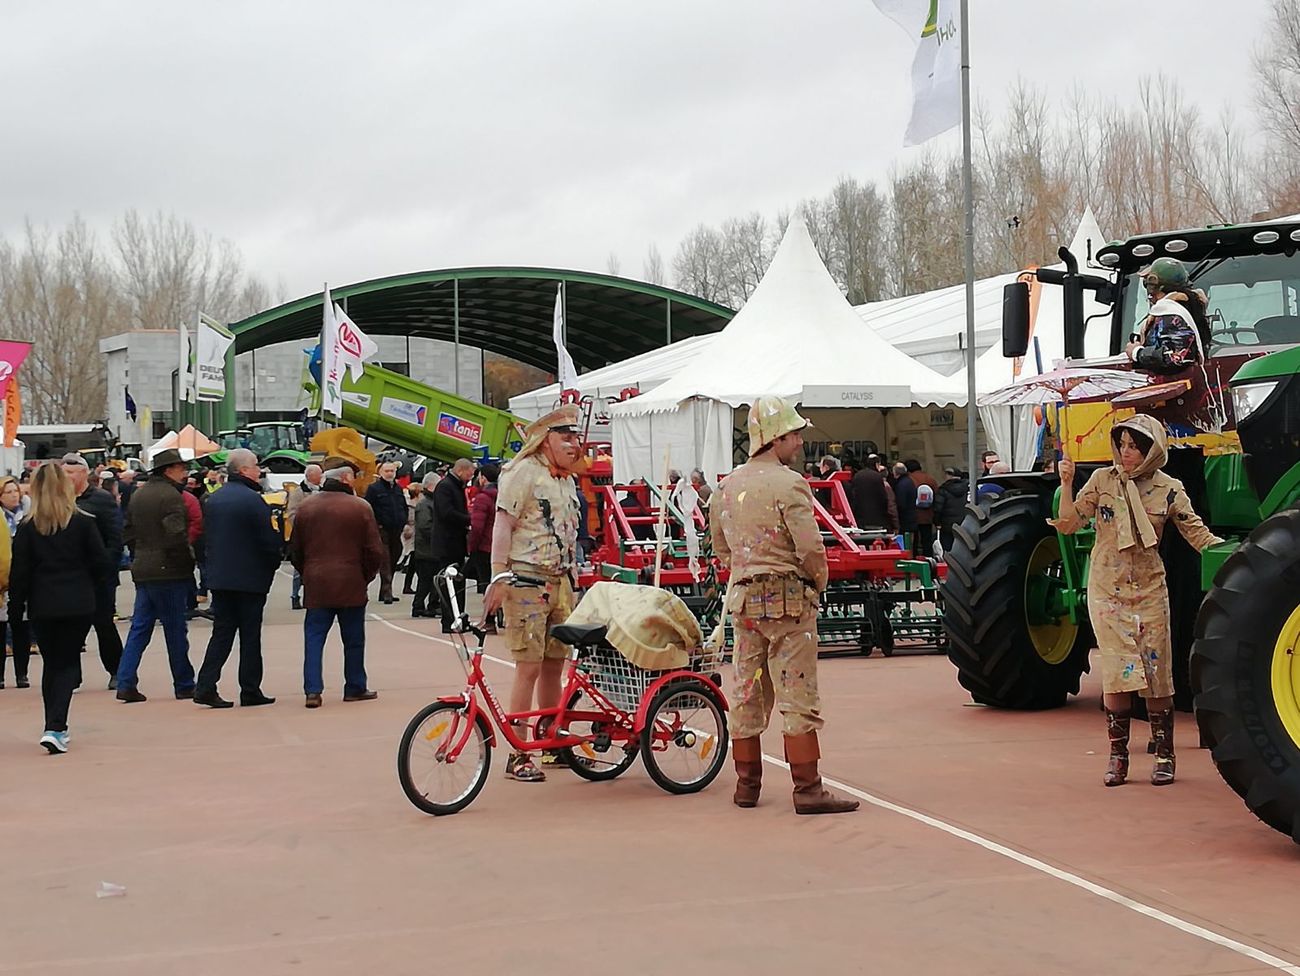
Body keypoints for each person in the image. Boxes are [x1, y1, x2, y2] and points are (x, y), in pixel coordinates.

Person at [1051, 415, 1222, 788]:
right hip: (1107, 589)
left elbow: (1197, 533)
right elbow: (1068, 523)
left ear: (1151, 450)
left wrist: (1235, 557)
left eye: (1134, 446)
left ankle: (1164, 754)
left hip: (1149, 588)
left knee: (1156, 673)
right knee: (1116, 671)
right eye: (1122, 444)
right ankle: (1118, 757)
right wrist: (1066, 483)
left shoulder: (1169, 488)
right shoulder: (1101, 482)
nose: (1126, 453)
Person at [712, 395, 857, 815]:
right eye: (794, 435)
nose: (798, 442)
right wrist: (818, 581)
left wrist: (743, 570)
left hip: (744, 603)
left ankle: (747, 785)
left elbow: (721, 547)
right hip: (790, 603)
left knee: (746, 691)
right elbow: (810, 547)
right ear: (775, 439)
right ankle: (807, 789)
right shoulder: (790, 483)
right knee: (797, 693)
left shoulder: (726, 486)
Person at [482, 405, 583, 784]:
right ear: (545, 440)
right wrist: (499, 577)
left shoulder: (564, 478)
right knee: (528, 666)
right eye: (565, 437)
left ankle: (552, 739)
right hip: (526, 580)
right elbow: (502, 525)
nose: (574, 444)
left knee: (555, 663)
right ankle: (518, 752)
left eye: (575, 436)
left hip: (560, 581)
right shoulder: (522, 472)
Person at [10, 463, 108, 753]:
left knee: (53, 665)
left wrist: (17, 607)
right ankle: (56, 726)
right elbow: (103, 564)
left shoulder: (28, 528)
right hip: (77, 601)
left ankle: (53, 725)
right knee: (66, 664)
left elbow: (20, 573)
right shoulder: (83, 522)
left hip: (43, 602)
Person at [288, 456, 386, 708]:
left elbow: (295, 550)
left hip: (317, 582)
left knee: (314, 637)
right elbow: (375, 550)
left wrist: (308, 572)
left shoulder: (307, 508)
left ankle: (312, 690)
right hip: (351, 580)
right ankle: (354, 686)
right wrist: (365, 576)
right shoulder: (360, 507)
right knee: (353, 639)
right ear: (345, 479)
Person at [192, 449, 283, 708]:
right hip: (250, 579)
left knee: (221, 633)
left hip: (221, 578)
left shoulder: (214, 499)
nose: (259, 470)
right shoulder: (254, 501)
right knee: (249, 636)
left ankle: (206, 685)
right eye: (255, 466)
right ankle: (250, 688)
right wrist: (272, 563)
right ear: (243, 470)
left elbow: (205, 538)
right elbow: (267, 541)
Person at [115, 448, 197, 703]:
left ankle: (125, 680)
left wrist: (140, 552)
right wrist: (187, 563)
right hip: (169, 571)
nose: (185, 473)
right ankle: (183, 683)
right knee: (175, 629)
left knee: (140, 627)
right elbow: (176, 536)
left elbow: (127, 531)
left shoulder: (139, 495)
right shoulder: (172, 497)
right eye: (181, 468)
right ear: (169, 470)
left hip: (143, 567)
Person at [61, 453, 124, 688]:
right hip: (70, 575)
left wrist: (105, 567)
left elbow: (115, 538)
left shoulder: (101, 499)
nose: (66, 477)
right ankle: (71, 676)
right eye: (63, 472)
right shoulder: (61, 499)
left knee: (104, 625)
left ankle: (117, 671)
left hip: (99, 576)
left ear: (84, 473)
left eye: (71, 473)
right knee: (71, 629)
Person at [1125, 258, 1208, 374]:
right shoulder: (1185, 309)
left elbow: (1176, 358)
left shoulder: (1171, 314)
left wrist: (1137, 352)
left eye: (1147, 283)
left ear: (1153, 284)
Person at [427, 458, 474, 633]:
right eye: (470, 474)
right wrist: (469, 519)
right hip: (447, 543)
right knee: (450, 583)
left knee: (457, 583)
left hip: (455, 541)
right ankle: (449, 621)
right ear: (461, 470)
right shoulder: (446, 487)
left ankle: (457, 617)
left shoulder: (455, 486)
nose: (471, 478)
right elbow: (446, 513)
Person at [0, 477, 32, 688]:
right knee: (2, 628)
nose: (14, 495)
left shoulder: (28, 516)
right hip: (3, 580)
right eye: (8, 492)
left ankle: (22, 673)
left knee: (21, 627)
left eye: (15, 491)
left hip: (23, 578)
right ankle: (1, 676)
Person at [364, 460, 407, 604]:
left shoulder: (398, 488)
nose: (390, 473)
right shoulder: (374, 489)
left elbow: (402, 506)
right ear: (381, 472)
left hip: (396, 529)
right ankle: (387, 591)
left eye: (392, 471)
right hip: (381, 530)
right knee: (385, 560)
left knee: (395, 556)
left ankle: (385, 590)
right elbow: (368, 509)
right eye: (387, 471)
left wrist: (405, 521)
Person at [286, 463, 322, 610]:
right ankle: (295, 595)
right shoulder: (298, 493)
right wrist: (304, 526)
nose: (321, 476)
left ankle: (314, 596)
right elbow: (291, 513)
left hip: (321, 535)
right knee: (299, 568)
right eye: (319, 474)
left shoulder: (323, 491)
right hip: (305, 535)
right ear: (310, 476)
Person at [410, 473, 440, 617]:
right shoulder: (424, 504)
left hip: (429, 549)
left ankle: (431, 605)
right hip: (426, 549)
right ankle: (418, 606)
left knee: (432, 580)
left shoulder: (431, 502)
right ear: (430, 486)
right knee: (425, 580)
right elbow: (424, 526)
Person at [466, 463, 499, 594]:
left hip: (484, 546)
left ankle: (490, 613)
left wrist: (472, 546)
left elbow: (477, 527)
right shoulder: (501, 495)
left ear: (483, 478)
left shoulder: (482, 498)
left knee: (485, 583)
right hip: (498, 545)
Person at [847, 458, 898, 533]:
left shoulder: (857, 476)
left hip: (860, 519)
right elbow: (884, 500)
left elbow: (853, 497)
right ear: (876, 464)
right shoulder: (877, 477)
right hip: (878, 519)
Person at [906, 459, 938, 557]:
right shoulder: (930, 479)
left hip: (913, 515)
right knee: (926, 540)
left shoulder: (909, 480)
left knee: (913, 542)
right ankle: (928, 560)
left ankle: (915, 560)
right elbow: (937, 496)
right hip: (927, 515)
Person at [933, 467, 969, 553]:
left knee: (948, 548)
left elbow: (938, 508)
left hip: (947, 525)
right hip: (964, 523)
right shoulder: (968, 488)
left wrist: (937, 522)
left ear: (948, 476)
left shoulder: (943, 490)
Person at [400, 482, 423, 595]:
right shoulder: (413, 505)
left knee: (414, 562)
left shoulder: (411, 504)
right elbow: (411, 520)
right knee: (415, 560)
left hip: (414, 534)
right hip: (415, 534)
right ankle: (411, 585)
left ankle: (408, 585)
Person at [891, 461, 917, 545]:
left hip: (905, 519)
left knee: (905, 544)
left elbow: (901, 503)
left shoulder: (901, 485)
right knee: (909, 543)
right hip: (911, 517)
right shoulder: (909, 481)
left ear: (896, 472)